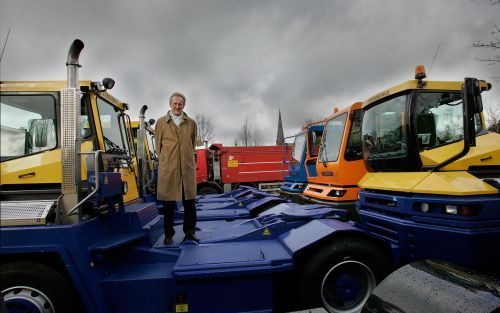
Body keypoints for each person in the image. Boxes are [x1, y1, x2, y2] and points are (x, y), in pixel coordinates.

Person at [155, 92, 198, 244]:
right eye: (175, 103)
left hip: (186, 168)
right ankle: (168, 235)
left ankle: (190, 232)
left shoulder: (191, 123)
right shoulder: (161, 123)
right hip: (169, 169)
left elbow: (192, 145)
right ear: (170, 104)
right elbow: (158, 146)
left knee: (190, 204)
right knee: (168, 205)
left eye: (180, 104)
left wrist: (184, 158)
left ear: (184, 105)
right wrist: (167, 161)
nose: (177, 106)